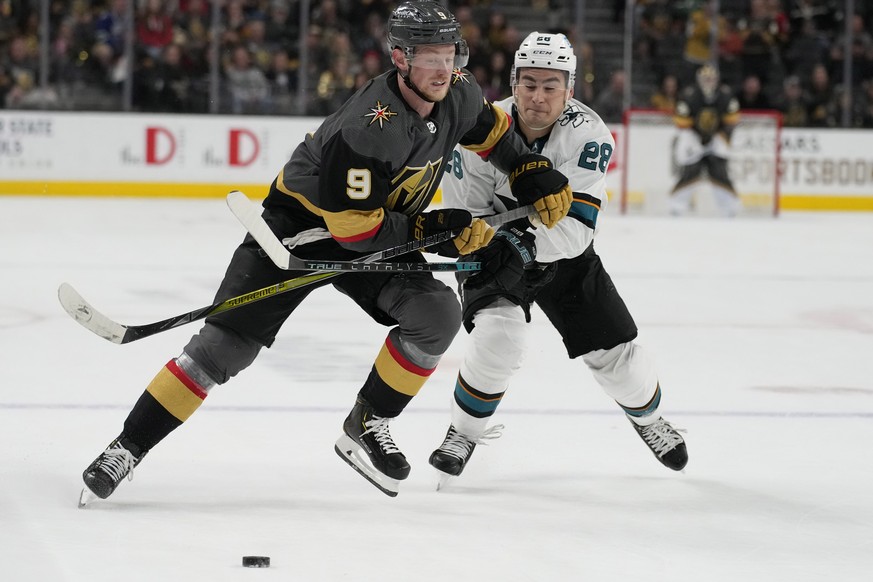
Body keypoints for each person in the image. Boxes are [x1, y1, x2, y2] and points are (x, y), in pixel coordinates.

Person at [78, 1, 573, 504]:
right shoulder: (369, 126)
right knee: (224, 350)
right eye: (429, 56)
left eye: (450, 53)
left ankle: (367, 421)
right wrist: (435, 229)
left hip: (384, 227)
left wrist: (526, 168)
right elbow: (356, 232)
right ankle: (127, 447)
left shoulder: (460, 93)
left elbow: (494, 136)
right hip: (303, 229)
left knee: (436, 313)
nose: (443, 68)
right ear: (400, 59)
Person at [428, 31, 689, 484]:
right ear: (512, 83)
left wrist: (521, 243)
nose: (537, 97)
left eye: (550, 86)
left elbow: (574, 230)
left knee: (619, 360)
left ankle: (649, 420)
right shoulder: (476, 130)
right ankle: (463, 432)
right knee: (499, 338)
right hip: (493, 255)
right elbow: (467, 217)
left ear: (570, 90)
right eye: (528, 83)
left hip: (563, 257)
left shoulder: (588, 135)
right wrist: (489, 246)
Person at [669, 63, 742, 217]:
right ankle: (677, 205)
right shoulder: (690, 95)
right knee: (691, 169)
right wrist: (699, 137)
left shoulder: (725, 95)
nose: (708, 82)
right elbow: (681, 121)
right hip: (693, 136)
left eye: (711, 79)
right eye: (705, 78)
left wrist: (719, 136)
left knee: (719, 169)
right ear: (699, 79)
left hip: (716, 136)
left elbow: (733, 119)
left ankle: (729, 206)